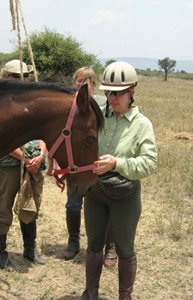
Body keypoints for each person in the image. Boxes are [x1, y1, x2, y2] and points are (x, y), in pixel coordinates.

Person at [80, 61, 158, 299]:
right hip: (95, 192)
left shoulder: (141, 125)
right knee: (94, 244)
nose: (112, 98)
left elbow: (149, 163)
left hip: (124, 195)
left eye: (118, 93)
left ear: (131, 93)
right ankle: (90, 292)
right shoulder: (97, 117)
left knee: (124, 248)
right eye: (108, 92)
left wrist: (118, 163)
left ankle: (125, 296)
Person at [0, 59, 47, 270]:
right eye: (16, 76)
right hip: (9, 165)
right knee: (3, 207)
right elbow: (0, 141)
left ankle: (30, 250)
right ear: (5, 78)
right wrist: (23, 158)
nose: (23, 80)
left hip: (33, 164)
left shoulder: (35, 103)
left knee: (30, 205)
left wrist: (41, 155)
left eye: (26, 76)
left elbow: (43, 134)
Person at [63, 67, 117, 268]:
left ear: (94, 85)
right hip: (78, 163)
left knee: (106, 206)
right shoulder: (69, 106)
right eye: (79, 80)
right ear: (74, 82)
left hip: (100, 161)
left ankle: (109, 247)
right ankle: (73, 242)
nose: (82, 84)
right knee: (73, 203)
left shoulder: (104, 105)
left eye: (87, 81)